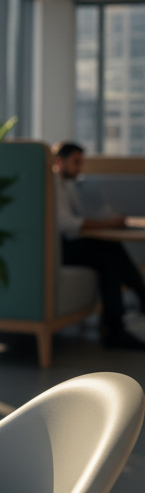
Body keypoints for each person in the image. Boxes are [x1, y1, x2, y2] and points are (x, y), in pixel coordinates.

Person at [53, 141, 145, 350]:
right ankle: (138, 293)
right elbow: (67, 224)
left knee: (110, 261)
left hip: (69, 244)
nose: (79, 168)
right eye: (76, 163)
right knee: (108, 249)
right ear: (59, 161)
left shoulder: (68, 185)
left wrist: (108, 219)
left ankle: (114, 329)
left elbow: (79, 218)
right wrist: (108, 224)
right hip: (57, 250)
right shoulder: (51, 184)